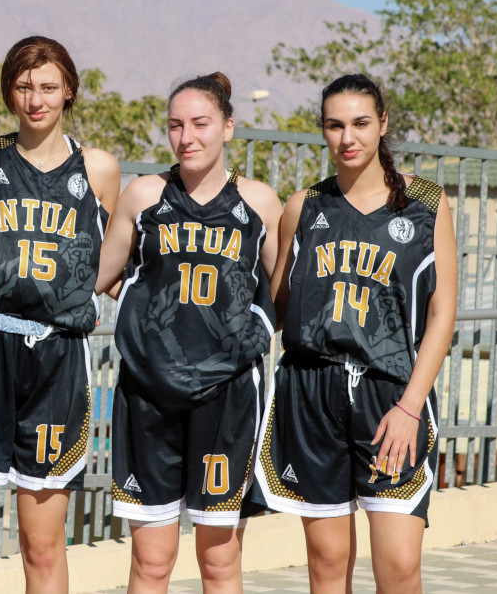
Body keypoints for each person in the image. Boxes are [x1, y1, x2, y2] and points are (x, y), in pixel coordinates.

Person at [253, 74, 458, 594]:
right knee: (326, 563)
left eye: (361, 123)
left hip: (390, 396)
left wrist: (411, 406)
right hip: (311, 391)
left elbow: (442, 315)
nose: (348, 137)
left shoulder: (426, 203)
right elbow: (276, 307)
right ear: (322, 130)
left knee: (399, 565)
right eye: (335, 125)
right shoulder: (302, 207)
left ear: (383, 123)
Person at [0, 35, 120, 593]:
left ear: (68, 92)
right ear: (9, 92)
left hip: (57, 358)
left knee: (43, 546)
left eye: (47, 86)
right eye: (23, 86)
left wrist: (75, 304)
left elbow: (110, 261)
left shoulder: (100, 169)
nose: (35, 99)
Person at [95, 72, 281, 593]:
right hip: (149, 395)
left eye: (201, 123)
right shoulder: (144, 195)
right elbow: (105, 276)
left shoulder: (261, 203)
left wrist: (228, 340)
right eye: (176, 125)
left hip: (226, 398)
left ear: (228, 127)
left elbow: (280, 300)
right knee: (151, 563)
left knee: (219, 562)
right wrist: (147, 313)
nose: (187, 137)